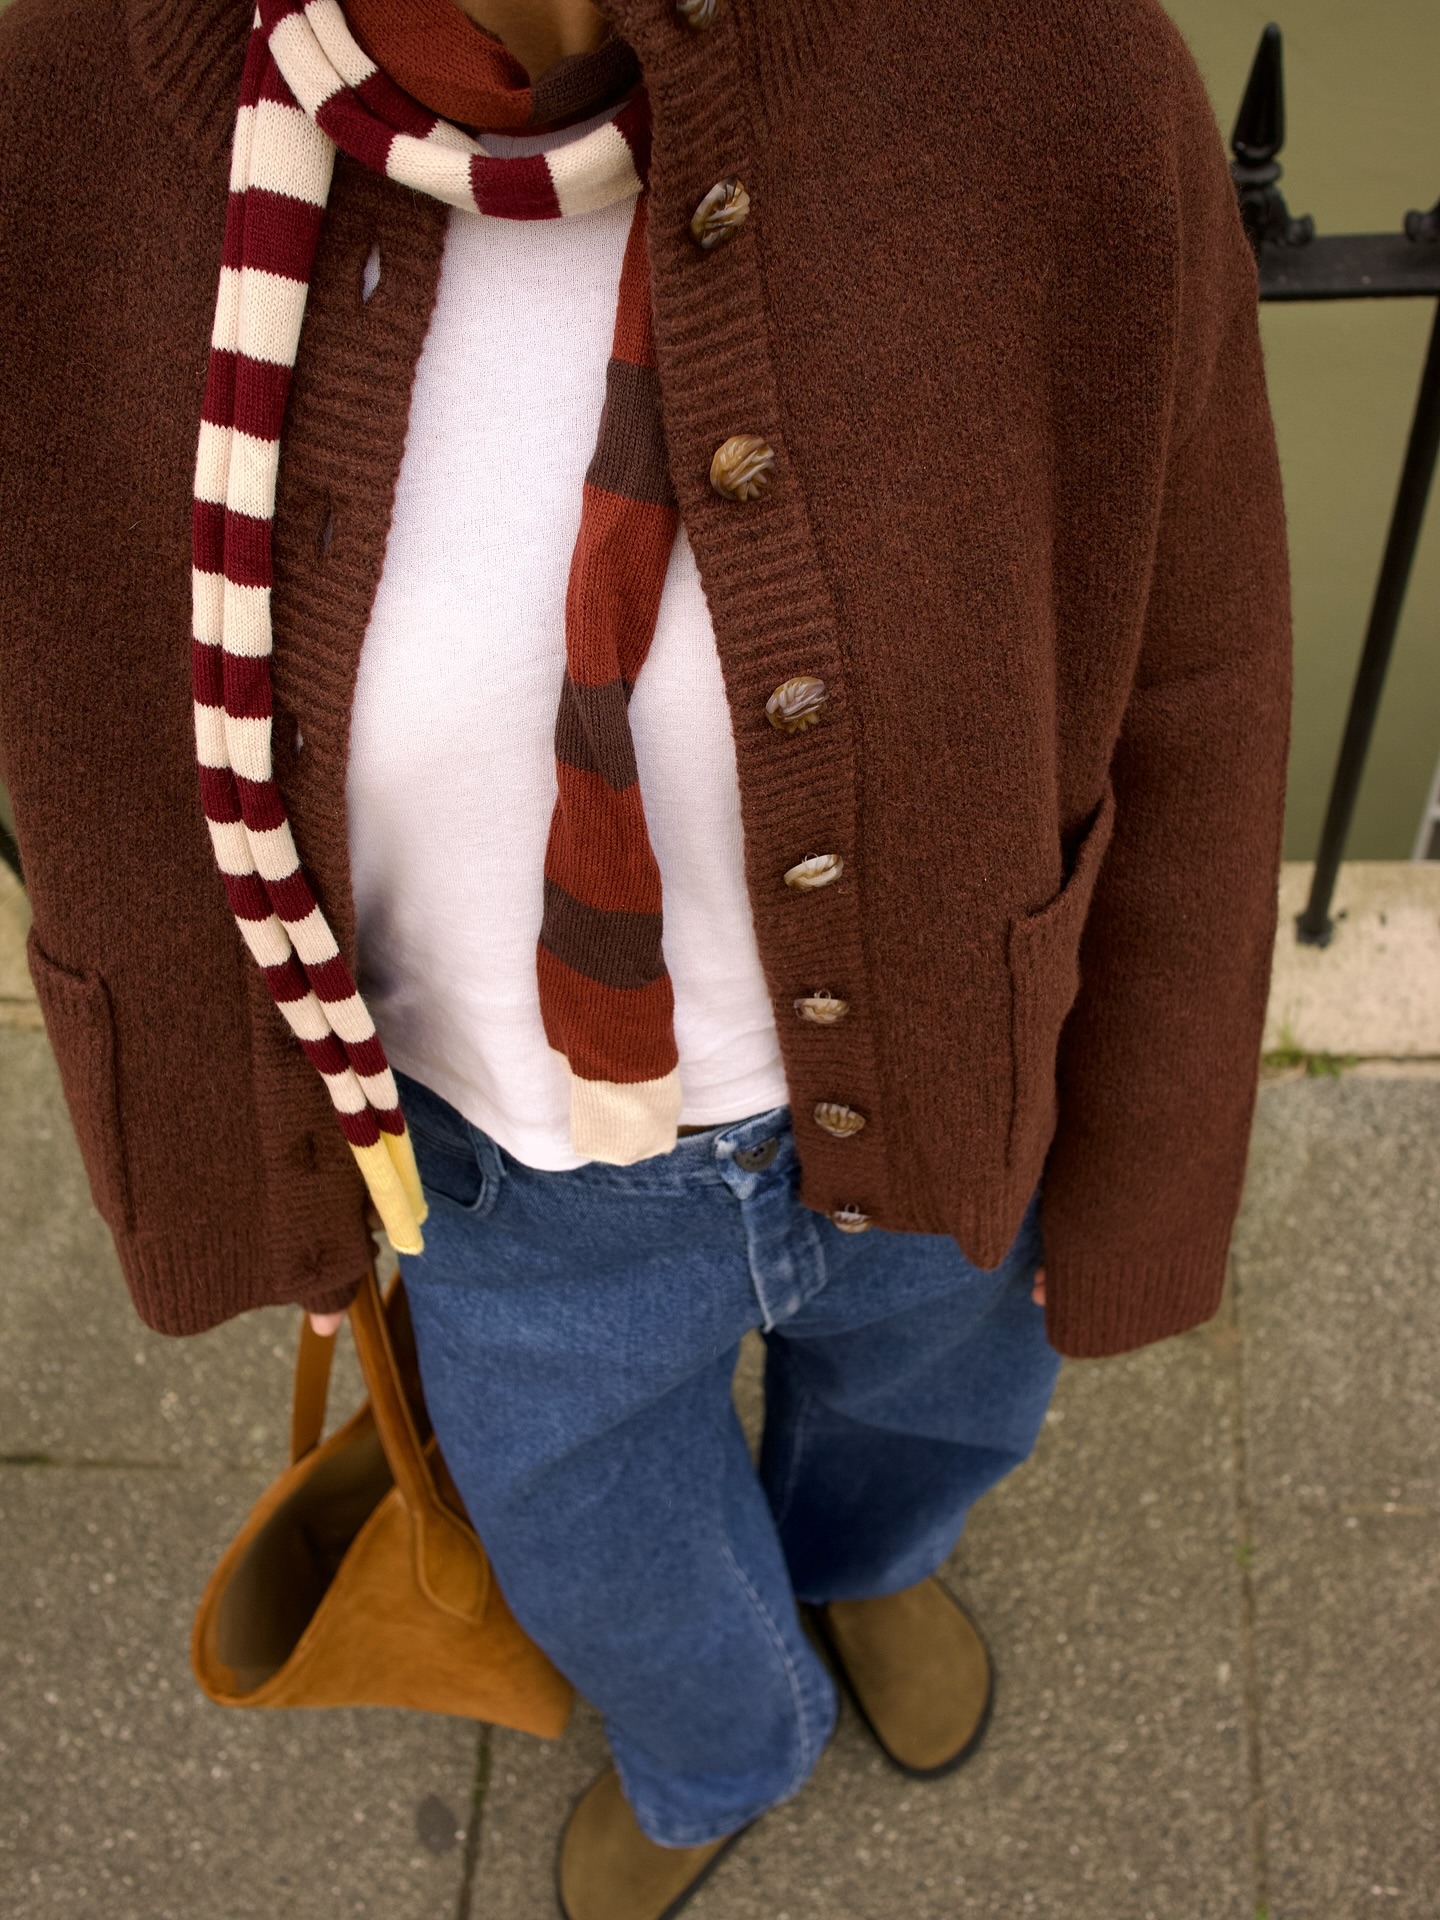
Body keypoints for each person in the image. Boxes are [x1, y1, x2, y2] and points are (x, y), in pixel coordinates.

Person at [0, 0, 1291, 1912]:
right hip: (497, 1181)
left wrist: (1156, 1169)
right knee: (590, 1544)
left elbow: (1197, 658)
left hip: (937, 1084)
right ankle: (720, 1751)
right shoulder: (63, 119)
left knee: (935, 1411)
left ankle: (863, 1562)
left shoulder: (1050, 67)